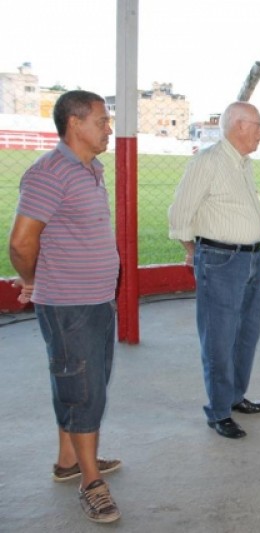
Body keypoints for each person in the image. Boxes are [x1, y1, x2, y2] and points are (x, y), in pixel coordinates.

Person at [9, 90, 122, 523]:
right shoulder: (50, 173)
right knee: (83, 390)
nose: (108, 128)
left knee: (81, 381)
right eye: (101, 120)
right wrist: (33, 281)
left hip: (96, 299)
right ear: (74, 124)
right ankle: (91, 482)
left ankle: (68, 460)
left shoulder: (91, 168)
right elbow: (21, 242)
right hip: (69, 305)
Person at [168, 101, 260, 439]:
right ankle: (219, 410)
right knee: (219, 338)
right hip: (221, 259)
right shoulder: (208, 161)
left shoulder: (243, 163)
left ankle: (235, 396)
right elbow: (180, 214)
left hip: (251, 259)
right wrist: (194, 253)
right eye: (257, 124)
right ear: (239, 125)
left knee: (246, 334)